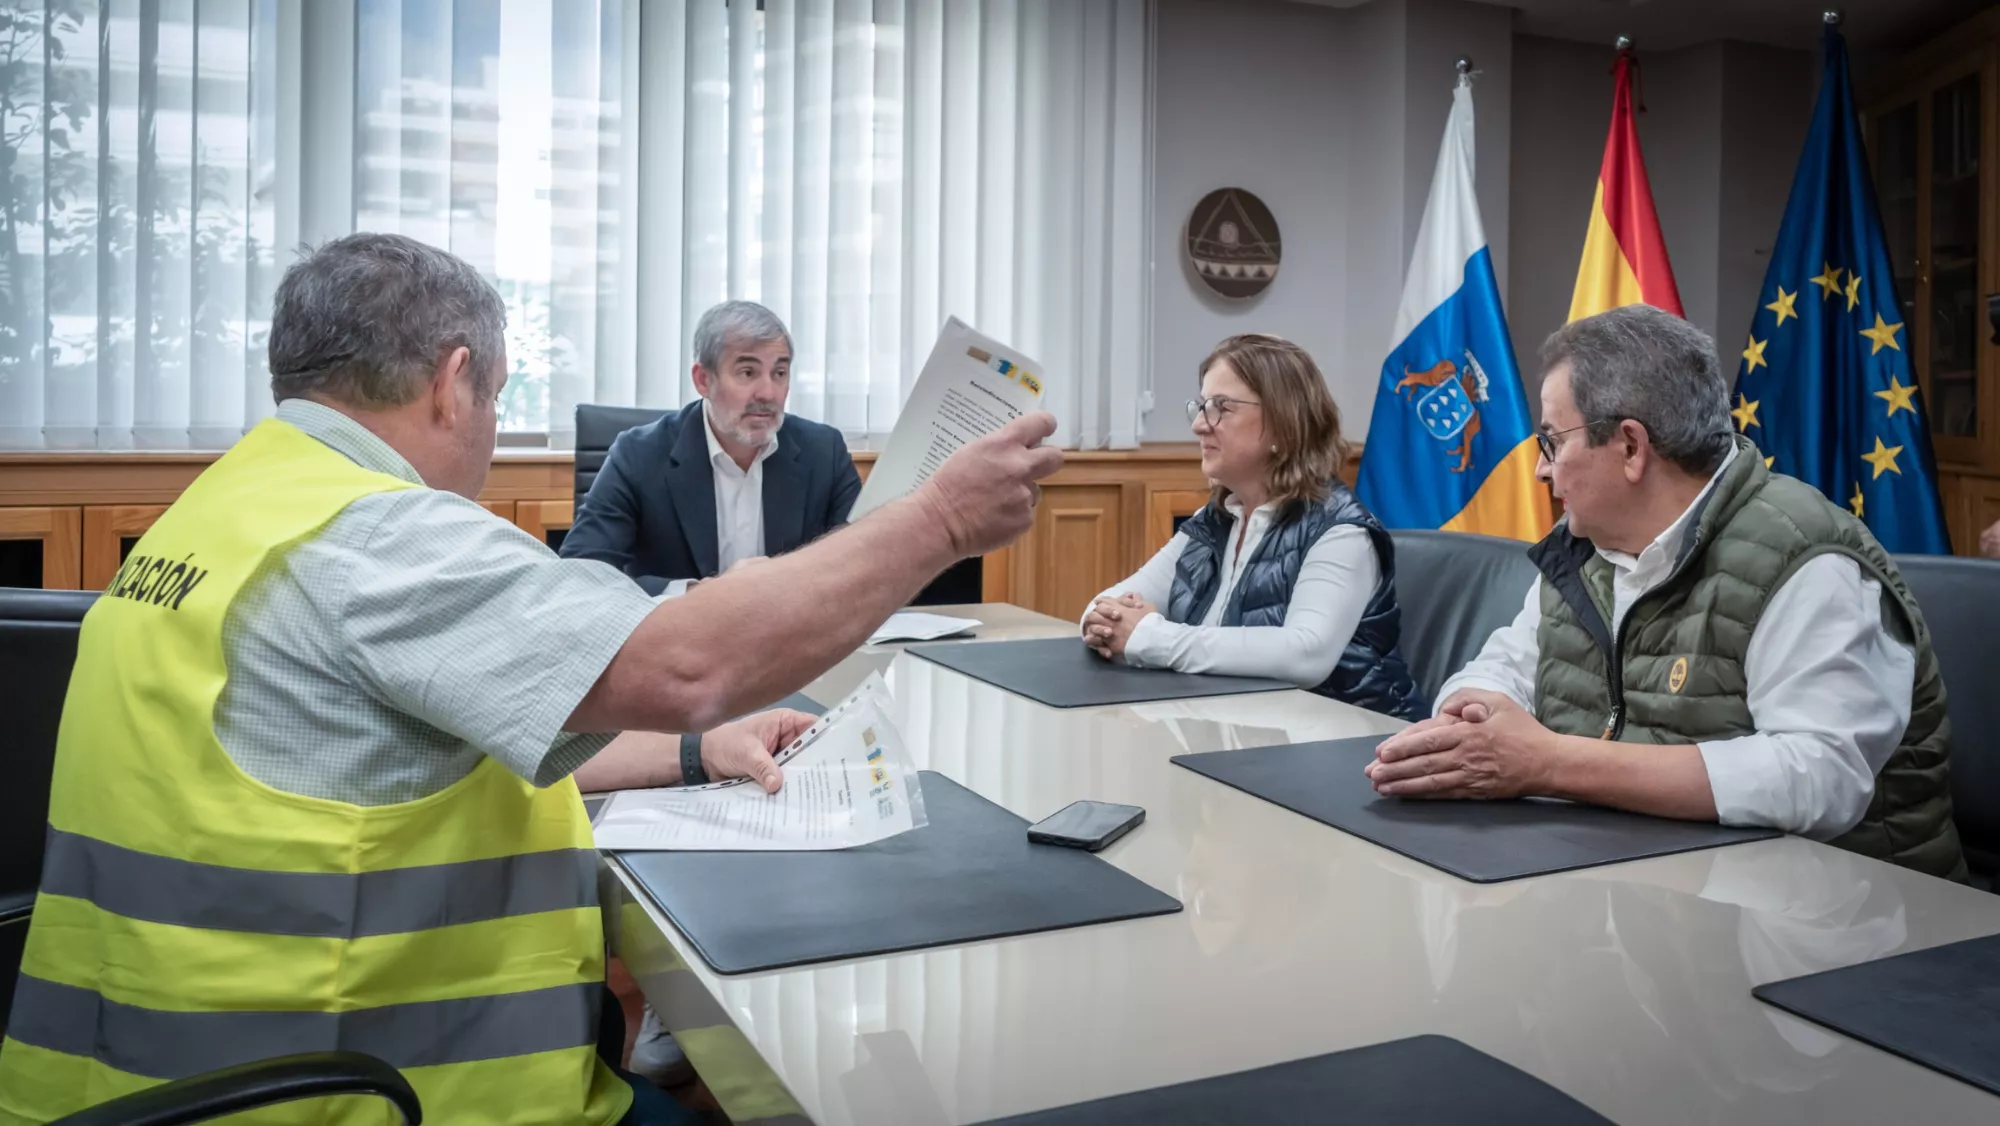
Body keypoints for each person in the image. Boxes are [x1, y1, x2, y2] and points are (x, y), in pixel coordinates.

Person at [0, 234, 1061, 1126]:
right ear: (451, 380)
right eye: (497, 397)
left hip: (127, 1070)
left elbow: (409, 738)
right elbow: (690, 663)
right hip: (355, 1092)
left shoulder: (223, 514)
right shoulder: (378, 540)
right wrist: (940, 518)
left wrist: (700, 752)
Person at [1368, 303, 1965, 881]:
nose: (1541, 470)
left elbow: (1819, 777)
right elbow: (1506, 663)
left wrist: (1547, 763)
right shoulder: (1589, 546)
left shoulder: (1807, 560)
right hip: (1636, 877)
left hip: (1844, 915)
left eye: (1553, 441)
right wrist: (1473, 716)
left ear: (1631, 447)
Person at [1080, 333, 1425, 721]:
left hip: (1360, 741)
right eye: (1201, 406)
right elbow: (1104, 605)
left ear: (1283, 423)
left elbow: (1305, 655)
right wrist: (1108, 624)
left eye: (1221, 408)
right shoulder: (1216, 519)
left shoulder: (1342, 532)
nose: (1199, 425)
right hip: (1244, 728)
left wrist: (1151, 637)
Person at [561, 301, 861, 595]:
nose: (768, 393)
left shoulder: (824, 452)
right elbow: (580, 575)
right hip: (684, 625)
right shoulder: (639, 456)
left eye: (779, 373)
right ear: (703, 380)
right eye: (748, 372)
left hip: (793, 625)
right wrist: (704, 594)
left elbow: (861, 561)